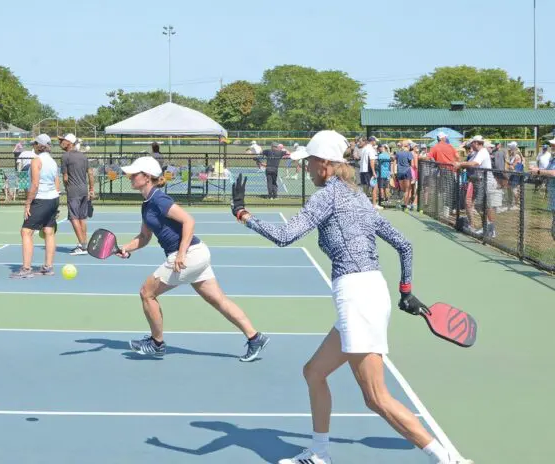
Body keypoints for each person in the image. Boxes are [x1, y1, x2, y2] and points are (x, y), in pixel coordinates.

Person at [229, 130, 473, 464]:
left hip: (357, 296)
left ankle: (448, 460)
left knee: (375, 397)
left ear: (325, 165)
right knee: (314, 372)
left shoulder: (327, 195)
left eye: (310, 163)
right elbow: (404, 245)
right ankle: (319, 453)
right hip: (371, 291)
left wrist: (244, 216)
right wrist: (405, 291)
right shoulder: (358, 197)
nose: (307, 169)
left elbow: (285, 236)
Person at [114, 156, 269, 362]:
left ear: (148, 177)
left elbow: (189, 220)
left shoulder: (159, 199)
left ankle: (156, 343)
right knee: (218, 300)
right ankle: (255, 337)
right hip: (196, 254)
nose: (130, 177)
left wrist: (180, 253)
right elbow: (143, 238)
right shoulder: (146, 204)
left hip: (189, 255)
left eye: (135, 174)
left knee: (147, 292)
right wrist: (126, 247)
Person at [10, 134, 60, 279]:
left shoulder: (36, 161)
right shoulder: (52, 162)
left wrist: (27, 204)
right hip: (53, 199)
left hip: (41, 199)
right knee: (49, 231)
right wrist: (57, 203)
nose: (33, 146)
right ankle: (48, 267)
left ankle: (26, 269)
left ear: (39, 146)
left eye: (35, 144)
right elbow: (57, 183)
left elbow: (35, 184)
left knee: (26, 232)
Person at [59, 133, 95, 255]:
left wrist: (66, 187)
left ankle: (82, 246)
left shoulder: (65, 156)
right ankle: (83, 244)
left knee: (73, 218)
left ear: (69, 142)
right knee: (82, 218)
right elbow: (90, 173)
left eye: (63, 140)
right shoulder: (83, 157)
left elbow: (65, 177)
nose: (60, 142)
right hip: (84, 190)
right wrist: (91, 189)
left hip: (73, 191)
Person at [530, 138, 555, 240]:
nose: (552, 146)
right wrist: (536, 170)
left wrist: (539, 171)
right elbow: (549, 170)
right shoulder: (552, 158)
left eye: (553, 145)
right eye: (552, 145)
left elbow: (553, 173)